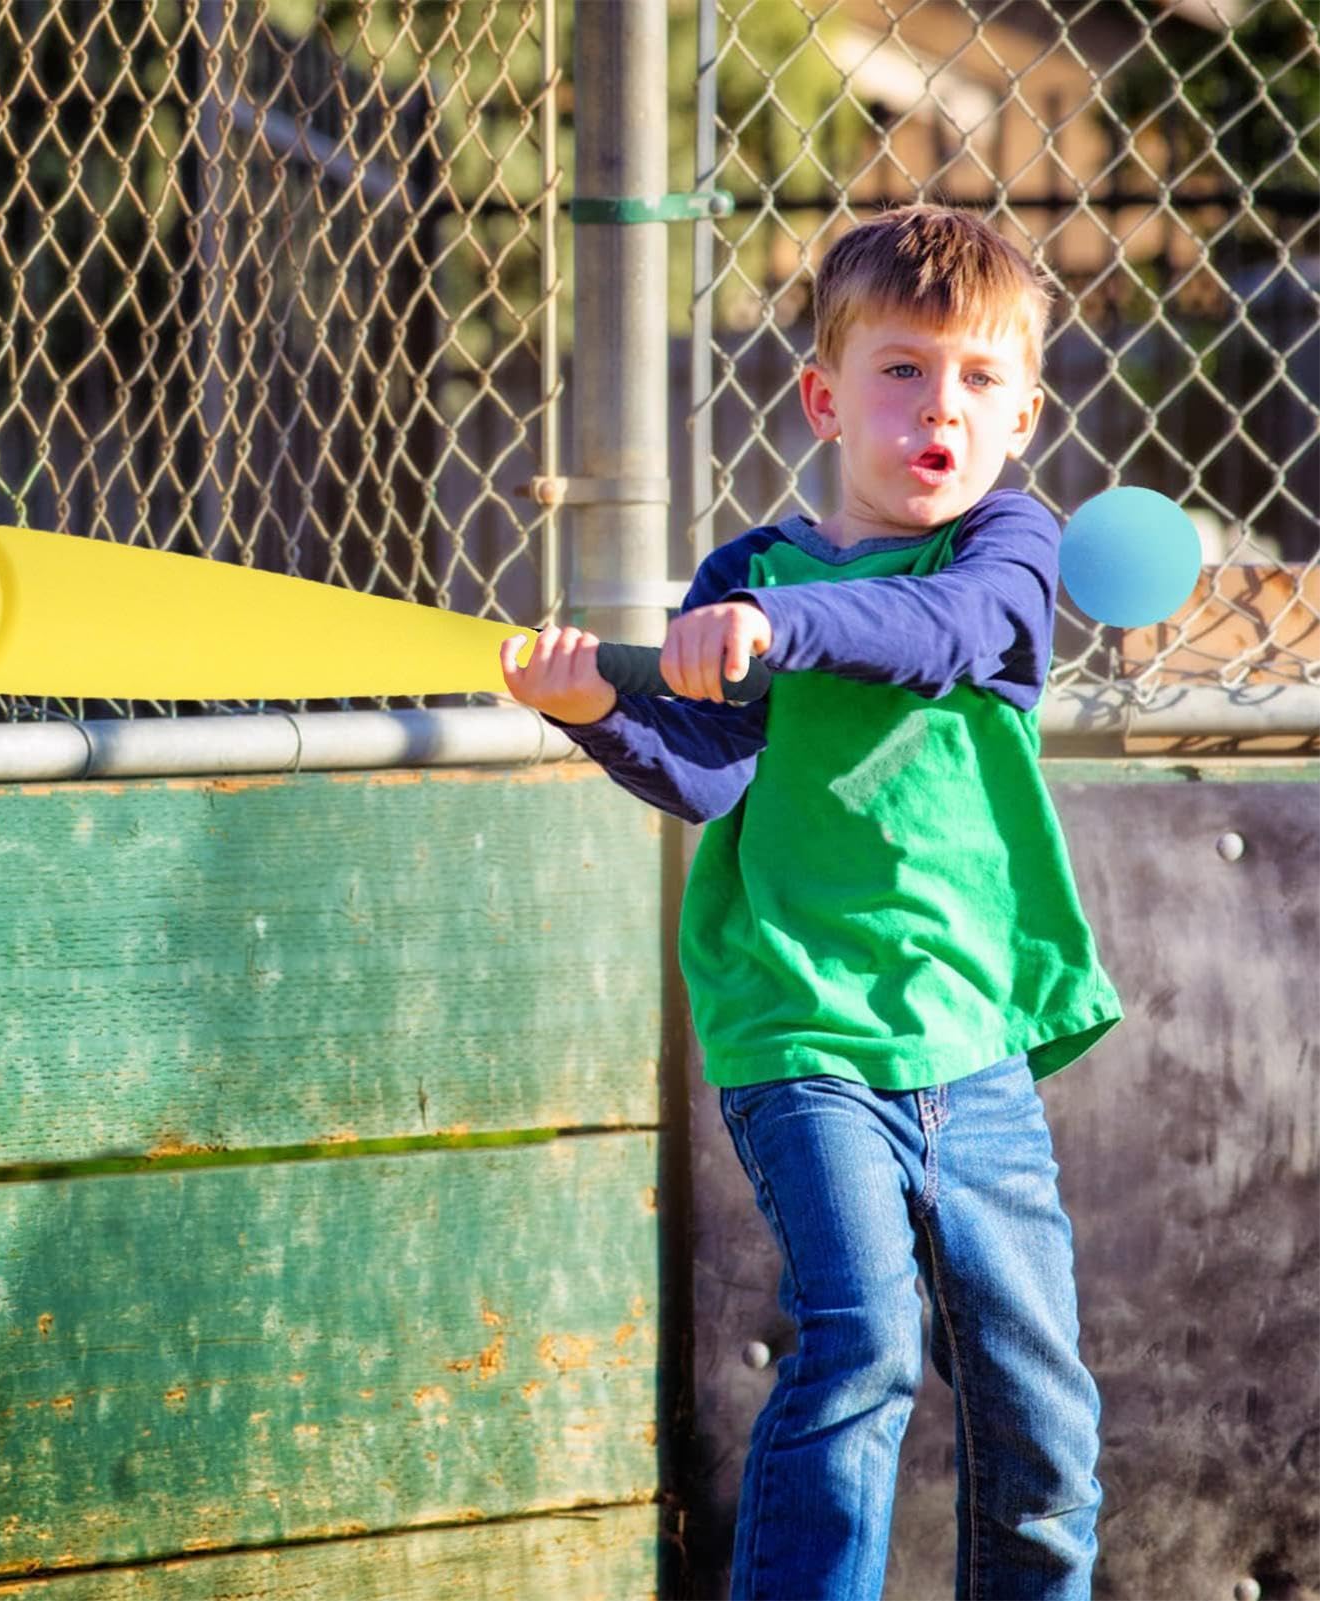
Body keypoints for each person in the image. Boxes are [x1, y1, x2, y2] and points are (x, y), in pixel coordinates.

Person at [499, 202, 1123, 1601]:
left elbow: (944, 637)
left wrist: (783, 634)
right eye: (900, 371)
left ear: (1019, 416)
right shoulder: (743, 579)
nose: (936, 411)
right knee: (860, 1341)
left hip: (970, 1037)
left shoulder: (1003, 552)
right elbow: (708, 776)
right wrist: (600, 703)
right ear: (825, 397)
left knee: (1040, 1409)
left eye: (976, 381)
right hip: (798, 1030)